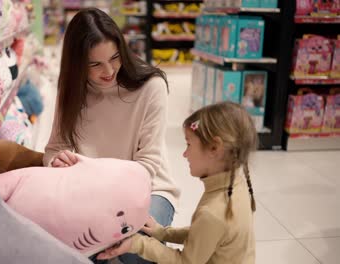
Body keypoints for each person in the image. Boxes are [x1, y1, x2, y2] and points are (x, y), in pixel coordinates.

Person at [43, 7, 180, 263]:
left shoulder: (151, 87)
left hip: (149, 190)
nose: (109, 71)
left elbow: (147, 165)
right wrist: (56, 162)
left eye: (115, 58)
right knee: (70, 248)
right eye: (95, 64)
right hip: (90, 194)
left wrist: (108, 209)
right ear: (77, 64)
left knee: (135, 249)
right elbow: (54, 148)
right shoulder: (71, 89)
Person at [97, 102, 257, 264]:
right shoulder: (238, 185)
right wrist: (164, 233)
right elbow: (206, 235)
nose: (184, 154)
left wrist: (138, 243)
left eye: (189, 144)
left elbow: (186, 262)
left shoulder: (212, 213)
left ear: (215, 148)